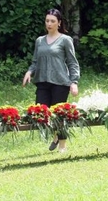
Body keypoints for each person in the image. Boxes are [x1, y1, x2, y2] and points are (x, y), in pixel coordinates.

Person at [23, 8, 80, 153]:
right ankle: (55, 136)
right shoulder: (39, 41)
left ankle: (62, 146)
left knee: (59, 115)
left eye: (52, 21)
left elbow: (72, 63)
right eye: (47, 21)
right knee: (41, 113)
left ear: (59, 23)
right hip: (42, 82)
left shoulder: (65, 40)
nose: (49, 24)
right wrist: (29, 72)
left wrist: (74, 82)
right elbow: (35, 61)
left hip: (60, 82)